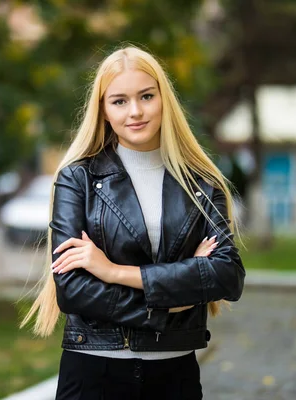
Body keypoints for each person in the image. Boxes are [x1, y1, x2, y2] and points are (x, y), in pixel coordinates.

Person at [21, 45, 245, 399]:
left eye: (146, 96)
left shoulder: (202, 184)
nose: (136, 111)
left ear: (163, 99)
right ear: (104, 111)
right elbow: (72, 289)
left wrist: (113, 272)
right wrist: (169, 304)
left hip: (175, 375)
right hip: (94, 373)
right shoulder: (77, 179)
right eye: (120, 101)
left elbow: (227, 275)